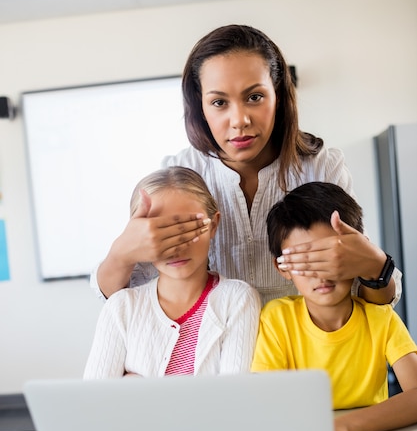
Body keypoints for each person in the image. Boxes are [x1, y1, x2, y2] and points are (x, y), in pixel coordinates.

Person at [91, 24, 401, 308]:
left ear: (278, 96)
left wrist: (375, 264)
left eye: (254, 97)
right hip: (217, 362)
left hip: (307, 358)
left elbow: (378, 299)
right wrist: (122, 253)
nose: (239, 120)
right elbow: (119, 299)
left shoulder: (321, 167)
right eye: (219, 102)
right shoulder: (179, 174)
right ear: (200, 105)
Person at [251, 182, 417, 431]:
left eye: (329, 257)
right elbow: (266, 404)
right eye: (305, 260)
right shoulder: (277, 319)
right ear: (281, 268)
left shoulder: (380, 317)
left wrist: (348, 426)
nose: (321, 273)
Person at [84, 166, 261, 379]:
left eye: (188, 229)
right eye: (161, 234)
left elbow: (232, 400)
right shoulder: (121, 307)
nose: (176, 247)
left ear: (213, 225)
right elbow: (96, 404)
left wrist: (136, 387)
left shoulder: (237, 299)